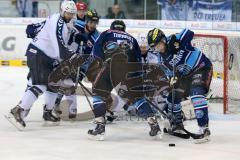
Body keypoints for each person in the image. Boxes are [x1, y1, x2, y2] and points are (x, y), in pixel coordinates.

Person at [87, 20, 162, 141]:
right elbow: (138, 60)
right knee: (138, 99)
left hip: (110, 67)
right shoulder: (132, 38)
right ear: (124, 29)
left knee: (98, 95)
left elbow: (96, 51)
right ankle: (154, 126)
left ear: (112, 27)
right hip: (129, 70)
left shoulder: (106, 33)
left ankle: (99, 127)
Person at [8, 0, 77, 128]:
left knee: (53, 83)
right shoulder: (59, 22)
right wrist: (71, 56)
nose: (70, 16)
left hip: (47, 57)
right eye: (68, 13)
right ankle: (19, 110)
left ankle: (47, 112)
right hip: (38, 54)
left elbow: (34, 29)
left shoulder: (60, 20)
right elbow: (59, 45)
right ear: (62, 11)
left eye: (72, 14)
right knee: (40, 85)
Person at [147, 28, 212, 142]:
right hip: (186, 76)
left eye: (158, 44)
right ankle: (177, 125)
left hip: (201, 67)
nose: (157, 48)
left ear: (163, 39)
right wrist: (173, 80)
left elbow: (189, 32)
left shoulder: (174, 39)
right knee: (172, 98)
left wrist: (176, 41)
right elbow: (171, 74)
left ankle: (204, 129)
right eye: (154, 47)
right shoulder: (161, 58)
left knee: (196, 93)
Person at [53, 9, 100, 119]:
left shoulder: (97, 36)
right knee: (63, 81)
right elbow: (64, 26)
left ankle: (69, 107)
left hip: (83, 64)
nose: (93, 25)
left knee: (69, 82)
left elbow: (95, 54)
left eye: (95, 23)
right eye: (91, 22)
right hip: (69, 59)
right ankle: (59, 104)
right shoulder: (76, 25)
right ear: (86, 21)